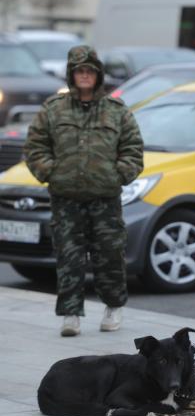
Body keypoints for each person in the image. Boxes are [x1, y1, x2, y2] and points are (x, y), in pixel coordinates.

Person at [24, 45, 144, 337]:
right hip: (66, 199)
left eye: (90, 71)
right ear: (71, 75)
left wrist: (117, 174)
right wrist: (51, 172)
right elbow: (35, 147)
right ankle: (70, 315)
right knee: (69, 257)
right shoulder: (53, 110)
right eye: (80, 71)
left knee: (110, 255)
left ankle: (113, 307)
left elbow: (133, 149)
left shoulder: (116, 111)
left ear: (98, 74)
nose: (85, 76)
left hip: (105, 199)